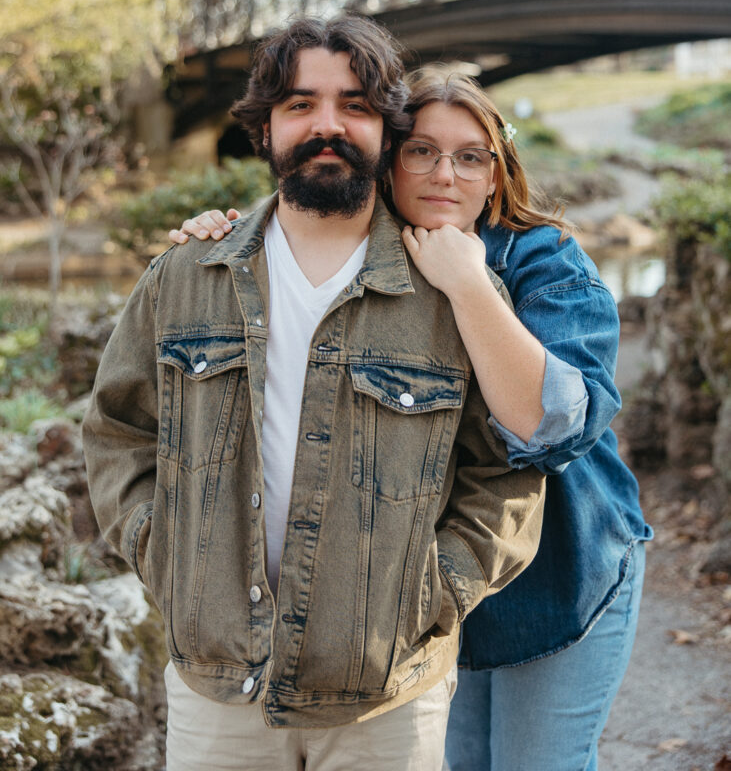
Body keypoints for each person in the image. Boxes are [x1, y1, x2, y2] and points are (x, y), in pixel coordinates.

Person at [82, 16, 545, 771]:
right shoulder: (184, 278)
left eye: (354, 106)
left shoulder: (455, 293)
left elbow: (507, 472)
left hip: (387, 696)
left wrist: (434, 593)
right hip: (217, 690)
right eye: (301, 104)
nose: (327, 125)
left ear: (386, 132)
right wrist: (163, 553)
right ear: (264, 127)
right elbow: (117, 432)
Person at [174, 64, 653, 771]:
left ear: (495, 176)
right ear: (386, 161)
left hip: (558, 573)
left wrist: (467, 285)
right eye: (421, 151)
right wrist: (224, 232)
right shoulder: (361, 253)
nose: (444, 175)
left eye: (470, 157)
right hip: (421, 598)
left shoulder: (545, 264)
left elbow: (553, 429)